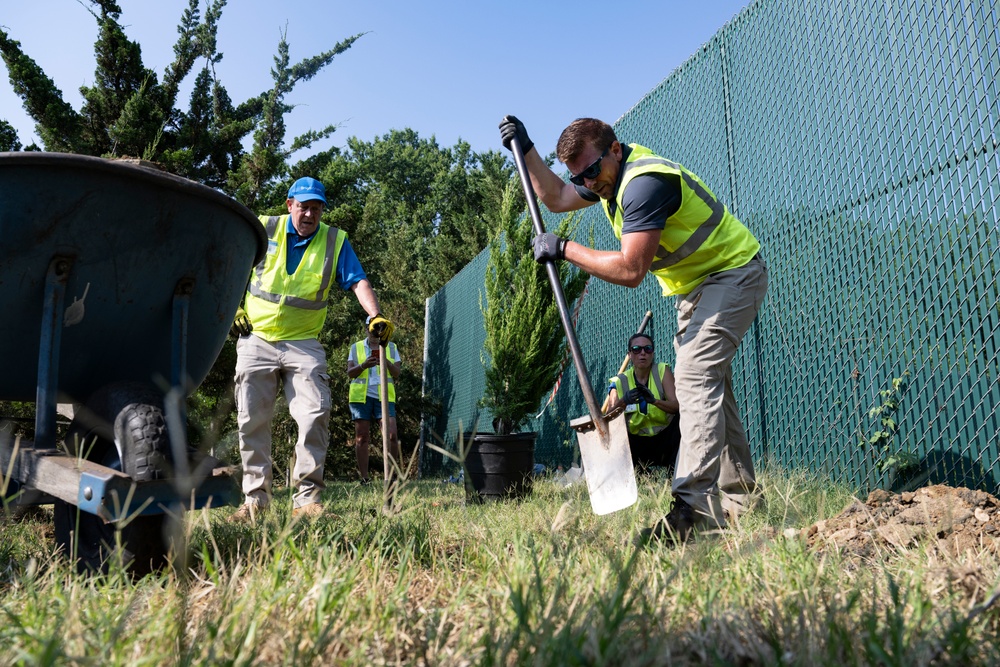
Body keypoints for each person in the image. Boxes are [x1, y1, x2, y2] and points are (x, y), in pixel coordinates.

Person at [499, 115, 768, 544]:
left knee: (695, 380)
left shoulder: (643, 184)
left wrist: (565, 248)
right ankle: (743, 502)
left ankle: (693, 511)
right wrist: (527, 148)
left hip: (732, 274)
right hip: (697, 288)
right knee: (713, 391)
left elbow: (630, 270)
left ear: (615, 149)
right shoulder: (605, 175)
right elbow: (555, 197)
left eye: (592, 170)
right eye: (580, 174)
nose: (589, 181)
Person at [229, 176, 394, 523]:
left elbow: (358, 280)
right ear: (290, 205)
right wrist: (232, 309)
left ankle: (307, 503)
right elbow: (229, 265)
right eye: (303, 206)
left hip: (303, 343)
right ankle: (255, 502)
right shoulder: (263, 228)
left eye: (316, 208)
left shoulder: (334, 242)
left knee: (315, 413)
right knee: (251, 420)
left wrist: (375, 315)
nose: (309, 214)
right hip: (256, 338)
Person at [606, 333, 681, 476]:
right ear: (629, 355)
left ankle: (675, 475)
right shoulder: (619, 381)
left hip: (665, 437)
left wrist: (655, 401)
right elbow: (608, 419)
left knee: (683, 418)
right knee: (617, 432)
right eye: (636, 349)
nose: (642, 353)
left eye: (647, 349)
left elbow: (676, 406)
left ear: (652, 353)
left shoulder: (662, 370)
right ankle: (638, 476)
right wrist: (623, 402)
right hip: (636, 442)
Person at [346, 317, 402, 484]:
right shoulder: (355, 347)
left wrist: (385, 362)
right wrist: (364, 365)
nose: (375, 334)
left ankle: (391, 476)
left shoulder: (391, 347)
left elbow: (397, 373)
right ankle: (365, 478)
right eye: (373, 330)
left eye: (379, 330)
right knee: (362, 437)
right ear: (366, 330)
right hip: (360, 398)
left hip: (384, 396)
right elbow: (350, 373)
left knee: (391, 434)